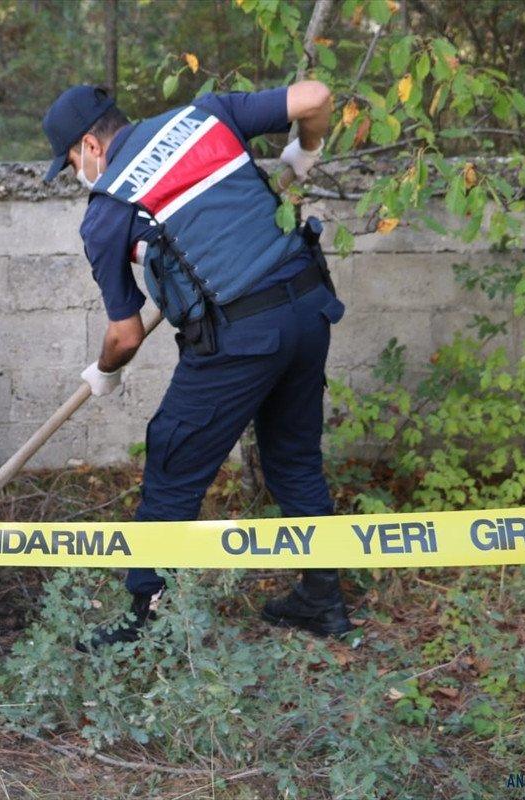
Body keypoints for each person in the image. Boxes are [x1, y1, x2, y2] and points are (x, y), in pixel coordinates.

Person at [40, 82, 352, 648]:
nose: (78, 175)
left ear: (90, 145)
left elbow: (125, 332)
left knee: (172, 461)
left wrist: (105, 371)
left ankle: (144, 622)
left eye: (70, 164)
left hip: (242, 337)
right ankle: (323, 600)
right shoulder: (204, 114)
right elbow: (315, 96)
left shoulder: (107, 212)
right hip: (308, 307)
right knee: (294, 456)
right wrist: (304, 152)